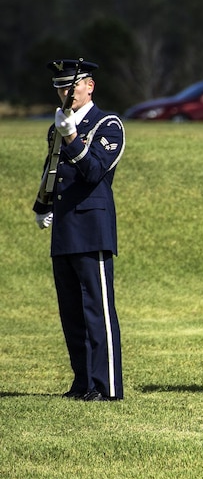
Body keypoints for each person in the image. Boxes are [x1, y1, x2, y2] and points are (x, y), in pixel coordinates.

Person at [33, 59, 126, 401]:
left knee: (97, 310)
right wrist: (42, 206)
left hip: (91, 224)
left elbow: (93, 171)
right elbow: (52, 170)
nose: (66, 92)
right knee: (71, 311)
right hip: (65, 226)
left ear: (90, 86)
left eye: (72, 86)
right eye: (60, 87)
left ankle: (107, 386)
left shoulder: (108, 124)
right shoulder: (56, 125)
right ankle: (83, 382)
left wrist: (71, 136)